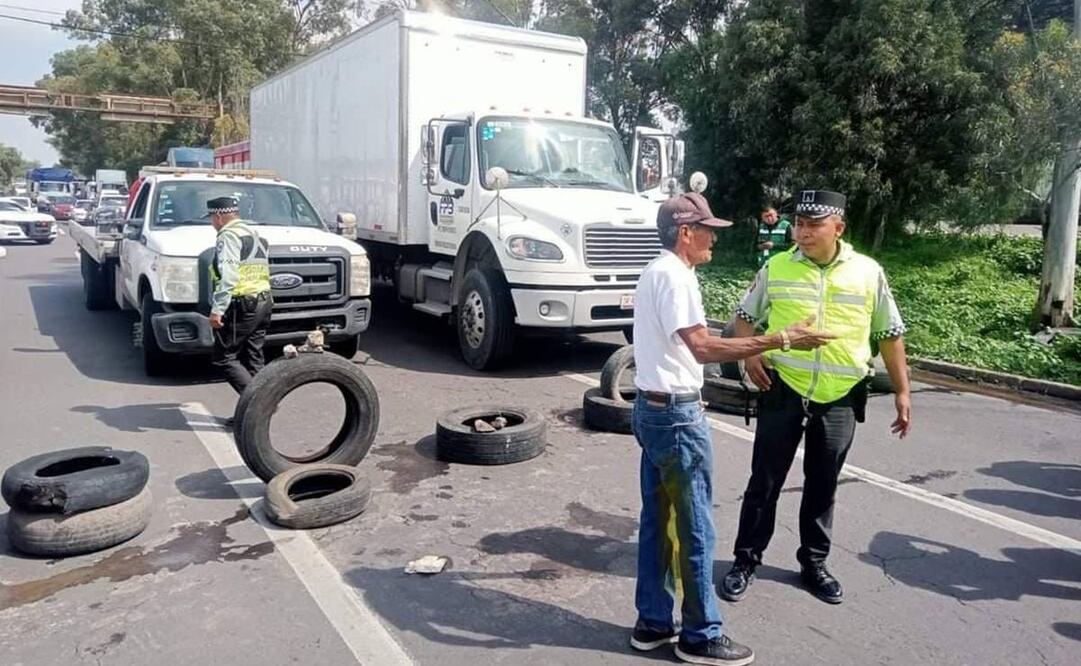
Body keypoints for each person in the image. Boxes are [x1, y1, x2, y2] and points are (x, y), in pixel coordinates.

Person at [630, 192, 835, 665]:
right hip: (676, 418)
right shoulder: (676, 277)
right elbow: (704, 348)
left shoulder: (656, 271)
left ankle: (654, 622)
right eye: (708, 230)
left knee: (657, 523)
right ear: (686, 233)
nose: (714, 239)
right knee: (696, 526)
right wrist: (783, 338)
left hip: (653, 409)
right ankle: (700, 635)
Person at [720, 190, 912, 606]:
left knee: (823, 485)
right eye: (799, 225)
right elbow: (743, 318)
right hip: (783, 387)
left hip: (841, 396)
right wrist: (750, 353)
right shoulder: (777, 267)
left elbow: (889, 334)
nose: (802, 233)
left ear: (838, 228)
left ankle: (814, 564)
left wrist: (902, 390)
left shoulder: (868, 273)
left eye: (813, 225)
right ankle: (745, 560)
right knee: (765, 481)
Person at [206, 196, 273, 400]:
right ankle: (253, 412)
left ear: (218, 216)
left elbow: (229, 275)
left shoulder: (229, 236)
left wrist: (218, 309)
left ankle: (258, 403)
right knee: (253, 356)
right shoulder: (254, 234)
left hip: (242, 303)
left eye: (210, 218)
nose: (211, 224)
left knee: (224, 358)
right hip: (264, 301)